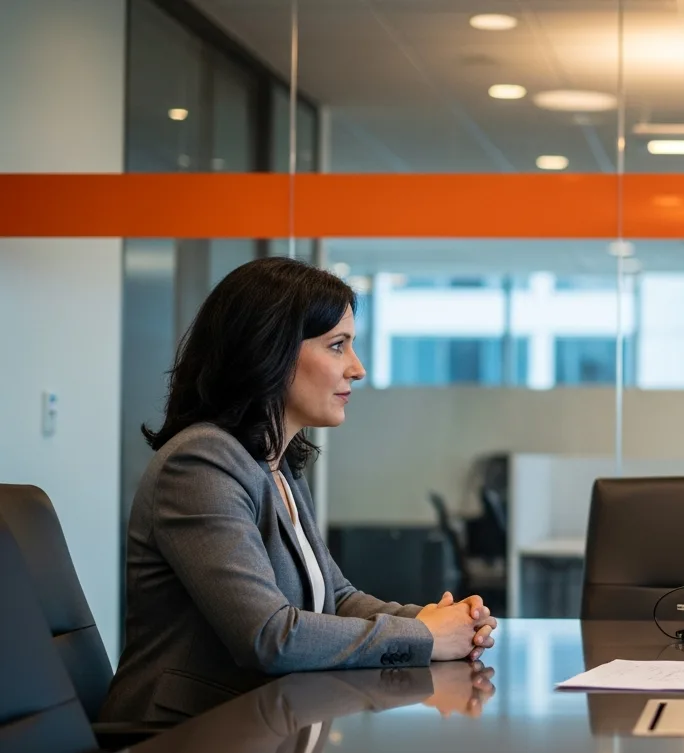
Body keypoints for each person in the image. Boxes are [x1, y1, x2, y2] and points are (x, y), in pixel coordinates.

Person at [102, 258, 497, 722]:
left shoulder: (277, 464)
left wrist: (438, 621)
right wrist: (425, 637)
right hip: (186, 735)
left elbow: (337, 597)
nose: (358, 368)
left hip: (262, 724)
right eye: (337, 346)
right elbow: (269, 636)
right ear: (269, 350)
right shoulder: (200, 463)